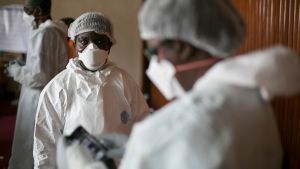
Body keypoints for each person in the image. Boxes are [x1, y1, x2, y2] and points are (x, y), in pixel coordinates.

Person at [61, 0, 300, 169]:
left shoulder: (174, 128)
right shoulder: (253, 98)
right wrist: (139, 149)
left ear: (183, 48)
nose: (153, 62)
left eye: (153, 50)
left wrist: (84, 163)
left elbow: (180, 136)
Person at [33, 12, 149, 169]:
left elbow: (143, 125)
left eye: (100, 41)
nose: (92, 47)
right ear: (74, 44)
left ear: (109, 45)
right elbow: (45, 141)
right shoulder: (58, 87)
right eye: (84, 41)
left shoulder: (125, 82)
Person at [6, 0, 69, 168]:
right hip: (41, 93)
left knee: (30, 142)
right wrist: (22, 67)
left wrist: (15, 71)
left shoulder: (46, 33)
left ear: (38, 10)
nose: (24, 12)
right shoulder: (48, 31)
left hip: (37, 96)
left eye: (27, 9)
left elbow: (40, 76)